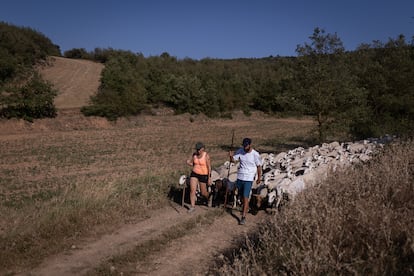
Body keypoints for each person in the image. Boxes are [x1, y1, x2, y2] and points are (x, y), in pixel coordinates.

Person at [229, 138, 262, 225]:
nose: (245, 147)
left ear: (250, 145)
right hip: (240, 176)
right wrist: (231, 156)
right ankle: (246, 207)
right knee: (239, 194)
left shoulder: (255, 154)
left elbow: (259, 166)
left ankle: (243, 217)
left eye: (246, 145)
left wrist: (259, 177)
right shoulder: (240, 151)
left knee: (245, 197)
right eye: (244, 145)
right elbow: (233, 160)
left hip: (249, 178)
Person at [186, 142, 212, 213]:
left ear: (202, 149)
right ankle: (192, 207)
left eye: (199, 149)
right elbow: (194, 164)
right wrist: (188, 163)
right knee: (192, 190)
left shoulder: (206, 156)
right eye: (197, 149)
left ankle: (209, 197)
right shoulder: (194, 155)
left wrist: (209, 178)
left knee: (203, 192)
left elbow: (209, 167)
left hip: (203, 175)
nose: (197, 151)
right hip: (194, 173)